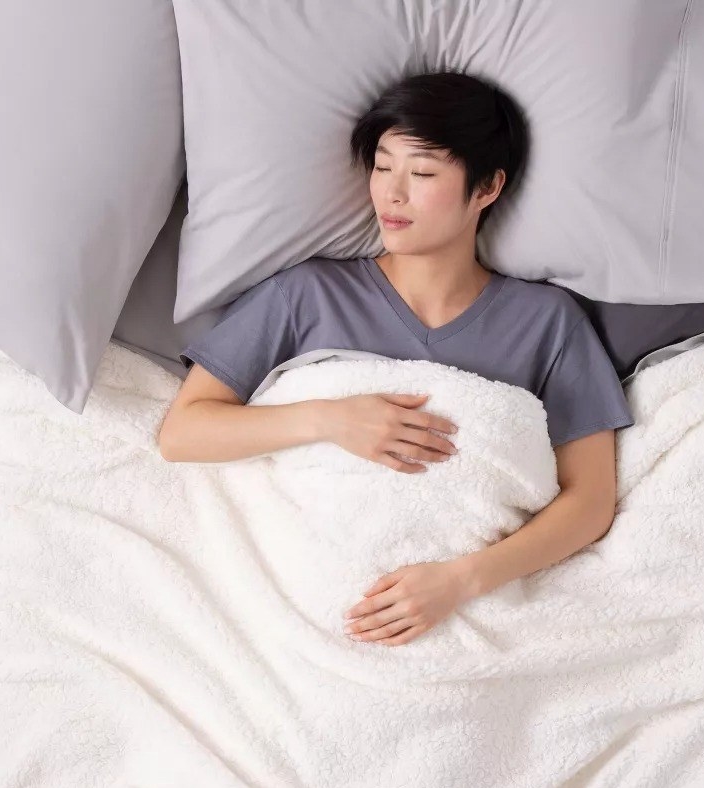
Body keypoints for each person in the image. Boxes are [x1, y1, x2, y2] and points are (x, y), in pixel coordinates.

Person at [158, 70, 635, 647]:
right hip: (301, 609)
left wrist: (459, 582)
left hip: (474, 615)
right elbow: (182, 432)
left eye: (423, 173)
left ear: (486, 188)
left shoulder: (546, 322)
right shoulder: (304, 296)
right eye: (383, 167)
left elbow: (589, 502)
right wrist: (328, 419)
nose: (392, 192)